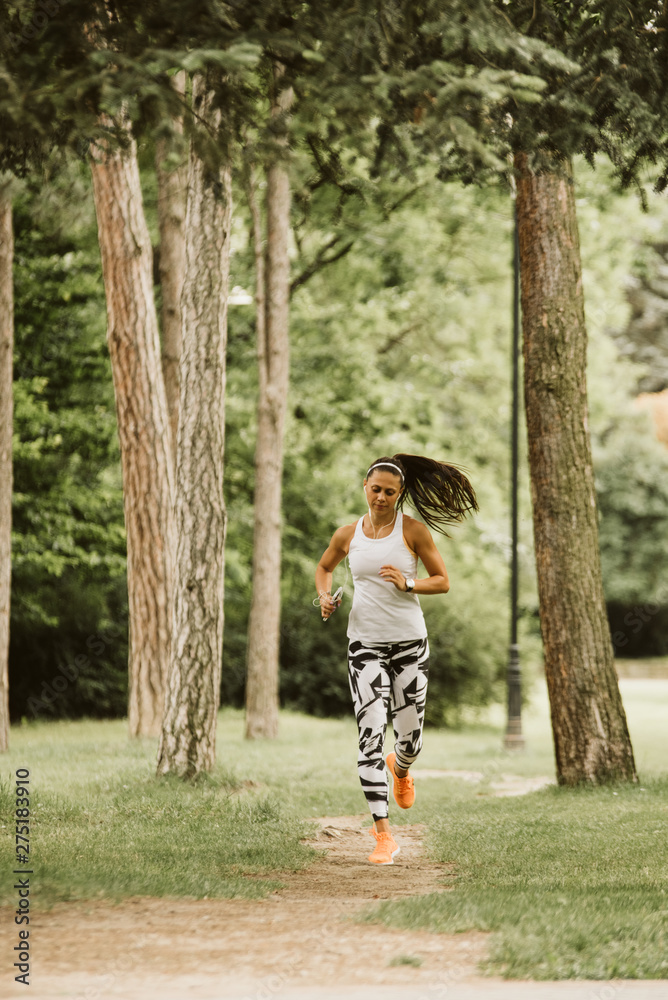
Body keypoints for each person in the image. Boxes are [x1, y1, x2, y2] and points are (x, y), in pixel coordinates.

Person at [315, 453, 478, 866]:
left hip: (409, 645)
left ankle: (401, 768)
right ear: (364, 488)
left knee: (410, 739)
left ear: (399, 493)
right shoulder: (348, 534)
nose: (381, 497)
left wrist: (408, 583)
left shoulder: (413, 531)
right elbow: (324, 567)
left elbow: (442, 581)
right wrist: (324, 597)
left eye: (390, 492)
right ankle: (383, 835)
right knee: (370, 734)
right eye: (376, 490)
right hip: (363, 645)